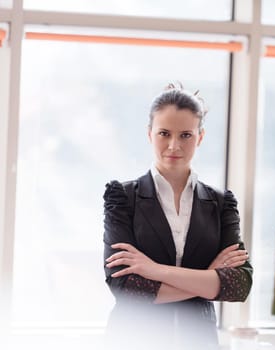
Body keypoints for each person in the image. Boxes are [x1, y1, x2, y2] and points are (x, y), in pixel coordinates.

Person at [102, 84, 253, 349]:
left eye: (185, 135)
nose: (174, 145)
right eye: (164, 133)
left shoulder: (221, 203)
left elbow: (239, 285)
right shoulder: (122, 198)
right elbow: (125, 285)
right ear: (150, 134)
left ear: (200, 137)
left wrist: (155, 270)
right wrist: (209, 277)